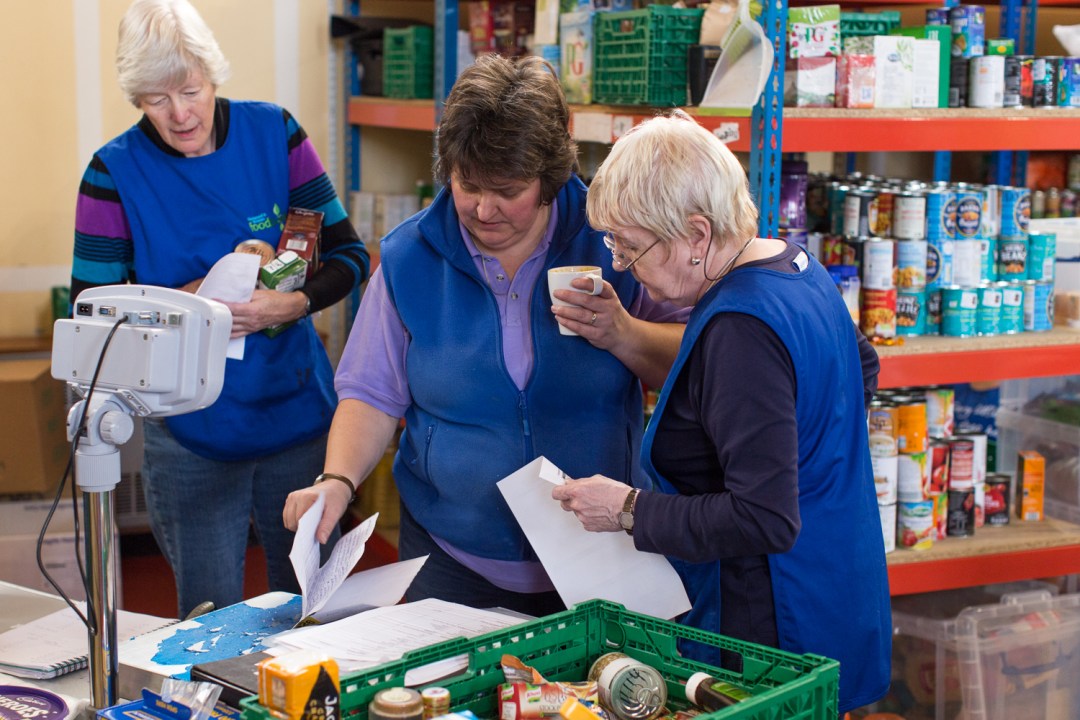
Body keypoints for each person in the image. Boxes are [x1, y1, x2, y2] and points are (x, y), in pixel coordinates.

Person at [282, 54, 686, 617]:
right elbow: (372, 393)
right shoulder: (409, 256)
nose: (482, 208)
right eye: (467, 184)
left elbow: (691, 366)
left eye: (508, 189)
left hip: (601, 550)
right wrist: (337, 481)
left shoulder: (612, 239)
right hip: (451, 559)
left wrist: (623, 333)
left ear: (550, 178)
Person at [551, 112, 890, 714]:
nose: (623, 265)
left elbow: (764, 520)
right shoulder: (794, 267)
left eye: (631, 247)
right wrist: (812, 470)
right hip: (835, 582)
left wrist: (629, 510)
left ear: (698, 234)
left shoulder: (741, 328)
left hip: (774, 628)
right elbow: (859, 367)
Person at [70, 0, 369, 618]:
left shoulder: (274, 133)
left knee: (314, 614)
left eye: (191, 90)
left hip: (297, 422)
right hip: (190, 437)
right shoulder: (112, 172)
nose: (180, 114)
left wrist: (289, 303)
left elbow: (350, 256)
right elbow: (92, 320)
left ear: (213, 75)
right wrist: (189, 304)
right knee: (209, 626)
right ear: (135, 99)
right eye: (156, 99)